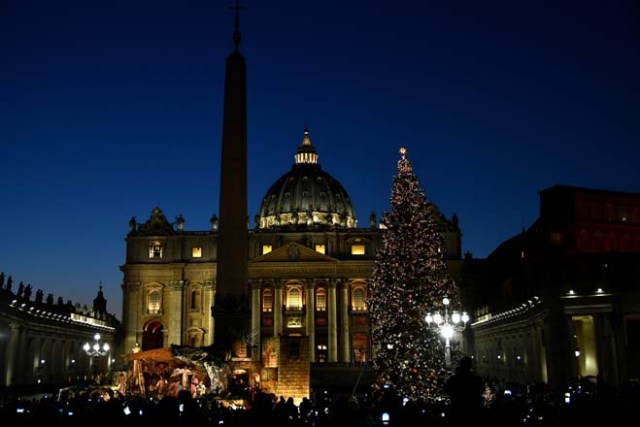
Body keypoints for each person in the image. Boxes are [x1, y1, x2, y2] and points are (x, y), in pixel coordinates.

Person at [444, 356, 485, 426]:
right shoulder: (475, 380)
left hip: (457, 412)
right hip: (472, 412)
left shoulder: (454, 380)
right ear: (470, 366)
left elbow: (447, 389)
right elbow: (481, 390)